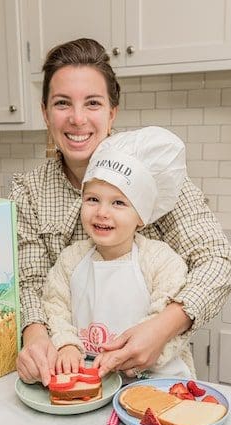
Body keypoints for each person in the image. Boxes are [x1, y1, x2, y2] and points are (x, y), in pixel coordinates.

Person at [10, 38, 231, 386]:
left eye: (93, 103)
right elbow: (32, 282)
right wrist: (37, 336)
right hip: (71, 376)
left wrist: (160, 329)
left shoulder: (153, 175)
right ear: (44, 112)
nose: (77, 118)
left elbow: (218, 262)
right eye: (61, 103)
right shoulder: (28, 191)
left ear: (112, 112)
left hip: (155, 379)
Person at [42, 126, 194, 379]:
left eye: (118, 203)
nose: (102, 212)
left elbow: (171, 330)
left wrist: (134, 358)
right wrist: (67, 344)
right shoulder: (70, 260)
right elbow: (55, 306)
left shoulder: (161, 262)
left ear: (142, 217)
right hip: (92, 380)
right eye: (92, 199)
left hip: (155, 381)